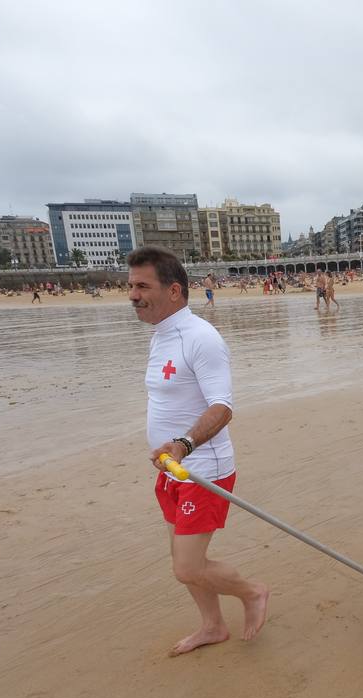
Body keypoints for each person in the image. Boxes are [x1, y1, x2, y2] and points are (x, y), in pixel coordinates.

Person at [128, 246, 270, 654]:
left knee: (186, 567)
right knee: (186, 567)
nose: (133, 295)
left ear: (174, 291)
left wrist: (184, 444)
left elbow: (222, 406)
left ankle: (252, 592)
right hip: (172, 470)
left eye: (142, 286)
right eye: (130, 286)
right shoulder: (161, 337)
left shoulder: (201, 338)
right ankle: (212, 626)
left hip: (203, 469)